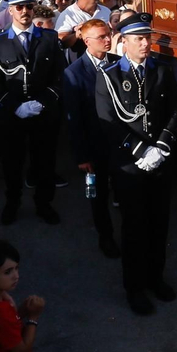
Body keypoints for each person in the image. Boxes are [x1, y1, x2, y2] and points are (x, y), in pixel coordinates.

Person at [93, 13, 177, 316]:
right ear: (125, 42)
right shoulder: (109, 75)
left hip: (160, 158)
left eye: (148, 38)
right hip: (130, 164)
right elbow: (107, 121)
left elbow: (174, 109)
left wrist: (161, 144)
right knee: (134, 227)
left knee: (160, 223)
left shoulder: (161, 70)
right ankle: (134, 287)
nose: (146, 44)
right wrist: (140, 149)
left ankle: (155, 278)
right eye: (139, 39)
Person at [0, 0, 65, 225]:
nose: (25, 11)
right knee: (12, 162)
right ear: (10, 10)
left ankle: (44, 204)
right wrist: (15, 107)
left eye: (29, 6)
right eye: (19, 7)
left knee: (45, 161)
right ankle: (12, 203)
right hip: (12, 115)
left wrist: (42, 102)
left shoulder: (49, 38)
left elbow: (59, 77)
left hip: (43, 113)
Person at [60, 18, 122, 257]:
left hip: (119, 143)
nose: (108, 40)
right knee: (98, 196)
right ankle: (105, 237)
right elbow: (73, 118)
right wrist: (81, 155)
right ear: (86, 42)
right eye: (101, 37)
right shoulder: (73, 73)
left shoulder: (118, 63)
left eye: (108, 34)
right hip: (94, 146)